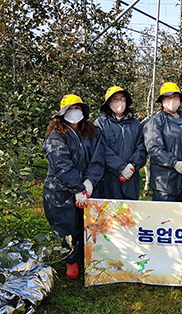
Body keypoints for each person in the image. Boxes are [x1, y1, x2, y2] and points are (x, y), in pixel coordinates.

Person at [43, 94, 104, 279]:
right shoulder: (56, 134)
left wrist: (90, 182)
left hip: (87, 188)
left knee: (86, 225)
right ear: (62, 113)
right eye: (70, 109)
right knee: (65, 226)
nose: (74, 113)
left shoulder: (92, 131)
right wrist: (76, 188)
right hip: (60, 191)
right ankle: (71, 260)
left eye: (77, 109)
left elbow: (98, 158)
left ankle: (88, 257)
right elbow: (61, 163)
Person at [144, 82, 182, 202]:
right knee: (164, 219)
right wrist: (174, 163)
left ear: (179, 99)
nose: (171, 100)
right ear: (162, 101)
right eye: (167, 97)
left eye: (174, 97)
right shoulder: (156, 121)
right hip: (165, 183)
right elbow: (154, 148)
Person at [93, 86, 147, 200]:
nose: (120, 102)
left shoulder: (135, 124)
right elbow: (101, 149)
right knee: (109, 214)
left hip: (131, 179)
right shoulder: (100, 124)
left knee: (129, 214)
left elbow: (142, 147)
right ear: (108, 103)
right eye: (115, 99)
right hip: (109, 179)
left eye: (123, 99)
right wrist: (121, 167)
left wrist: (132, 166)